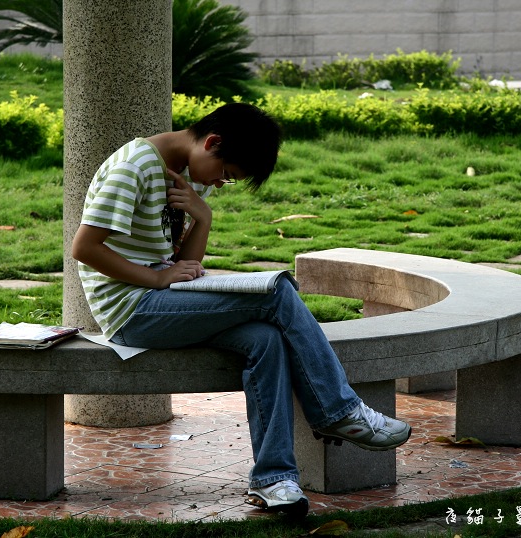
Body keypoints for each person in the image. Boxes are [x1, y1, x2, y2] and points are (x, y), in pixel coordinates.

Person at [71, 103, 411, 517]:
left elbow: (189, 267)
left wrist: (202, 217)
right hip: (132, 310)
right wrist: (159, 278)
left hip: (168, 302)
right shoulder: (134, 168)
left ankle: (273, 479)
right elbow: (85, 248)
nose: (221, 181)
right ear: (212, 143)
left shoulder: (189, 172)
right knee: (277, 291)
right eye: (227, 174)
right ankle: (337, 410)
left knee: (265, 340)